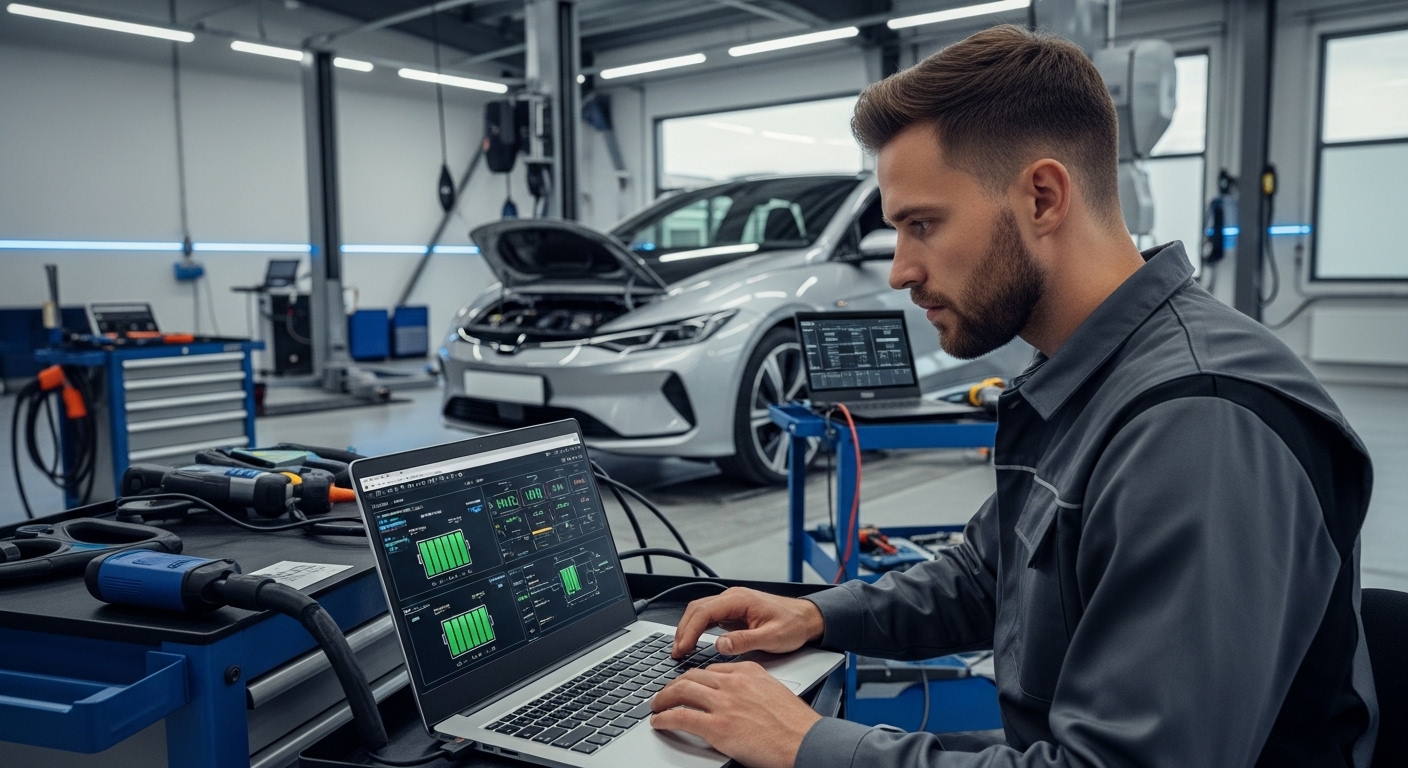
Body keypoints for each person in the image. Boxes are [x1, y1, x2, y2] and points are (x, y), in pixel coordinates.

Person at [648, 24, 1378, 768]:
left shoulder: (1198, 425)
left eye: (921, 225)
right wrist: (813, 615)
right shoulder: (1091, 372)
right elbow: (988, 575)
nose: (899, 271)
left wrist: (809, 745)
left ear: (1042, 196)